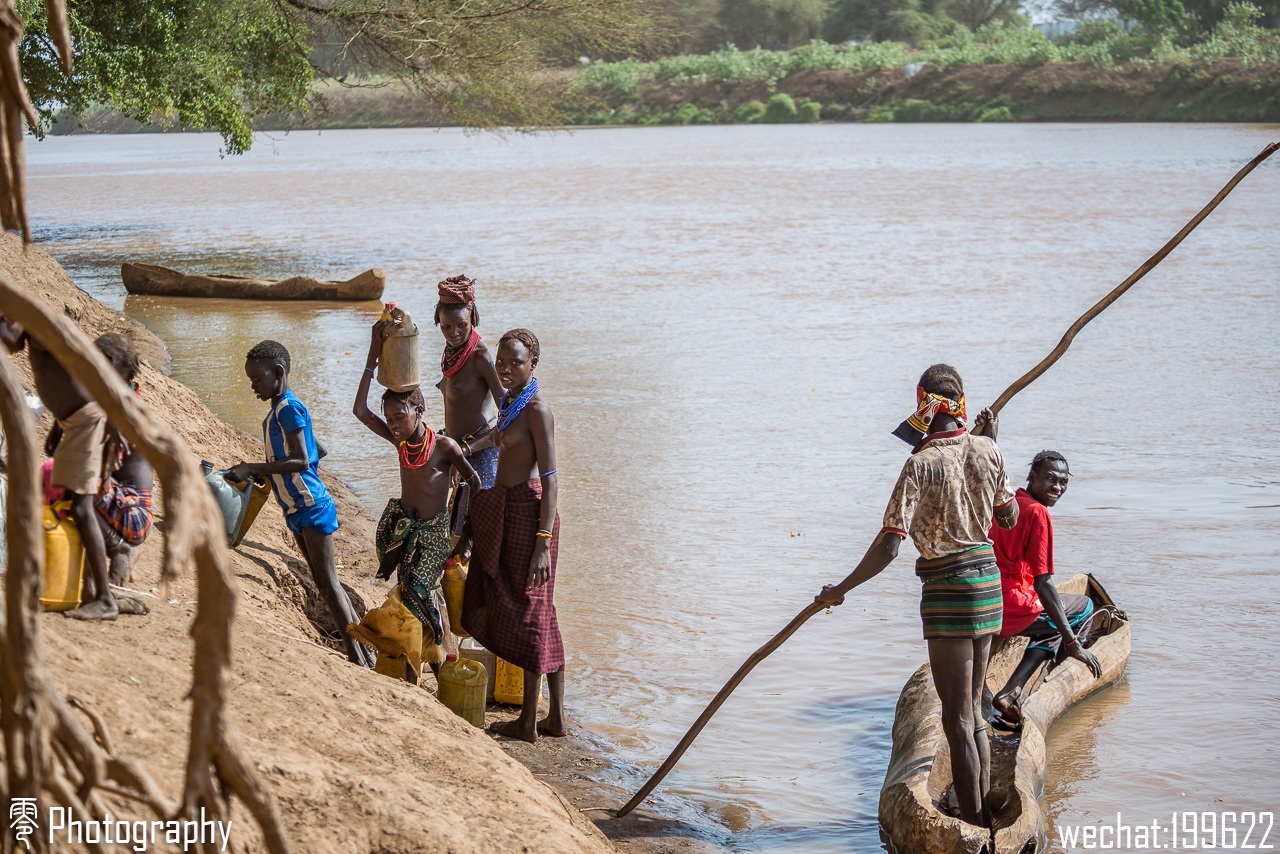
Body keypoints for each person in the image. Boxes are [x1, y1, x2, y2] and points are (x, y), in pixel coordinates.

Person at [815, 364, 1018, 834]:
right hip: (988, 588)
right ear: (962, 402)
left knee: (958, 720)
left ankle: (971, 825)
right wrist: (993, 444)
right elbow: (1006, 519)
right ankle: (983, 816)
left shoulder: (919, 464)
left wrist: (841, 590)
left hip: (949, 592)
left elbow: (890, 543)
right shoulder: (989, 451)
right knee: (975, 711)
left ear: (923, 403)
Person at [227, 340, 371, 667]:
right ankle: (363, 650)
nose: (253, 386)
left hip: (311, 505)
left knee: (329, 583)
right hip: (297, 508)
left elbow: (302, 461)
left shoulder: (287, 408)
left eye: (257, 380)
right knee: (325, 583)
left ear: (278, 373)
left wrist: (254, 468)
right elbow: (318, 449)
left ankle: (358, 657)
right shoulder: (283, 409)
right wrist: (273, 474)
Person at [355, 319, 482, 681]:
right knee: (417, 596)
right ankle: (439, 661)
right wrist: (372, 355)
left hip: (435, 535)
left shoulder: (444, 446)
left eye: (400, 417)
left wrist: (465, 534)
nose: (394, 425)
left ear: (419, 411)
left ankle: (426, 662)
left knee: (415, 595)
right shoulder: (400, 443)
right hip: (407, 532)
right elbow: (361, 412)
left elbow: (472, 482)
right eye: (390, 419)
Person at [457, 328, 563, 743]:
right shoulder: (510, 402)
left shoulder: (538, 410)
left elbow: (552, 482)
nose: (505, 367)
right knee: (540, 611)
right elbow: (499, 438)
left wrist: (543, 545)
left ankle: (527, 721)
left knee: (531, 612)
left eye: (515, 361)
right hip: (510, 506)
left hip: (531, 513)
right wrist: (464, 449)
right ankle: (554, 719)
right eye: (501, 360)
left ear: (533, 364)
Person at [0, 317, 117, 620]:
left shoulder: (36, 326)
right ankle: (91, 590)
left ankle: (105, 598)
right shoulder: (38, 336)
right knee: (73, 505)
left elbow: (83, 370)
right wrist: (58, 425)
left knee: (81, 508)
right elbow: (66, 379)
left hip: (85, 421)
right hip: (74, 422)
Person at [989, 450, 1102, 730]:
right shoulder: (1038, 512)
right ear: (1032, 477)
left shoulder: (1009, 501)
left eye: (1063, 482)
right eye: (1050, 479)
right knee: (1083, 609)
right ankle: (1014, 690)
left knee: (1057, 616)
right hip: (1010, 604)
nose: (1057, 488)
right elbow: (1043, 582)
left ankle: (1018, 686)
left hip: (986, 597)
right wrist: (1073, 643)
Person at [92, 334, 154, 586]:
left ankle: (122, 551)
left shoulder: (120, 411)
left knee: (66, 487)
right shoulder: (125, 400)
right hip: (132, 505)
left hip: (134, 515)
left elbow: (100, 467)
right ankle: (126, 548)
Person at [434, 275, 503, 490]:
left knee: (482, 515)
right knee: (459, 520)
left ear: (472, 317)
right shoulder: (452, 352)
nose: (454, 333)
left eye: (462, 325)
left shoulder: (481, 357)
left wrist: (465, 450)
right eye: (446, 326)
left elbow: (509, 417)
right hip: (456, 451)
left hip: (480, 454)